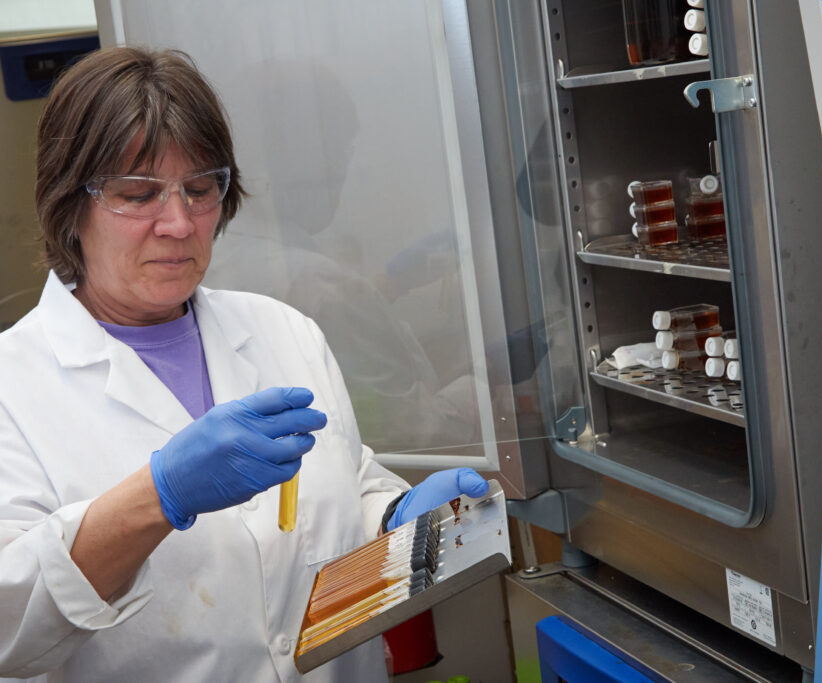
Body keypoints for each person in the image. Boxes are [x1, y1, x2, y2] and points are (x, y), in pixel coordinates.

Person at [0, 46, 488, 682]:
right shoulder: (14, 385)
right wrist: (158, 495)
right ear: (71, 203)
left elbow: (343, 490)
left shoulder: (283, 331)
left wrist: (396, 521)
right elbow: (10, 630)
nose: (178, 223)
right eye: (138, 194)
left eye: (200, 189)